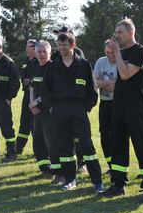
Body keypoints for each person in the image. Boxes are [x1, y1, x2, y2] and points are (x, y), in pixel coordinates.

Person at [101, 18, 143, 203]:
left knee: (142, 146)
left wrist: (116, 52)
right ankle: (118, 184)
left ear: (130, 33)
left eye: (120, 33)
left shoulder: (140, 52)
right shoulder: (122, 52)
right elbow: (120, 79)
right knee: (117, 146)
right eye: (116, 32)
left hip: (136, 107)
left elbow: (125, 74)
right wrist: (117, 52)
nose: (116, 36)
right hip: (119, 106)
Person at [44, 32, 104, 193]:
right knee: (65, 148)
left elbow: (92, 90)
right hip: (59, 111)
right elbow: (46, 90)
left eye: (65, 44)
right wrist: (52, 107)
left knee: (86, 146)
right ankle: (70, 179)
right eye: (60, 44)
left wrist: (86, 107)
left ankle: (97, 181)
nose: (62, 48)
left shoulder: (83, 64)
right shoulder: (53, 65)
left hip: (78, 110)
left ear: (73, 45)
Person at [52, 25, 87, 174]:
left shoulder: (78, 54)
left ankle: (81, 163)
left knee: (79, 136)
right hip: (60, 106)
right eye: (58, 37)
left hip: (77, 105)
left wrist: (85, 105)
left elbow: (84, 79)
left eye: (63, 36)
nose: (61, 43)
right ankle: (65, 168)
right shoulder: (55, 57)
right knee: (63, 137)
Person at [29, 40, 55, 179]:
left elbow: (52, 91)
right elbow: (32, 87)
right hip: (37, 112)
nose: (42, 54)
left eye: (45, 52)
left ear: (50, 53)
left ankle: (57, 170)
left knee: (50, 141)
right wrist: (31, 103)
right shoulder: (35, 67)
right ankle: (45, 169)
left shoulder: (53, 68)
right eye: (39, 52)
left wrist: (36, 103)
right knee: (37, 140)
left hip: (49, 111)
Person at [93, 40, 117, 174]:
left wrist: (104, 83)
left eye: (113, 52)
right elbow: (96, 82)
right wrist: (111, 82)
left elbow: (120, 86)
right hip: (105, 103)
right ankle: (110, 165)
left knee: (117, 135)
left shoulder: (121, 61)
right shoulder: (100, 62)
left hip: (118, 103)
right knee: (104, 135)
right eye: (107, 52)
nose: (110, 56)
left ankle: (117, 165)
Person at [16, 39, 38, 155]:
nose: (26, 49)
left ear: (34, 48)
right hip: (26, 96)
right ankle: (18, 149)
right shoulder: (26, 61)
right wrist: (26, 82)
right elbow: (23, 78)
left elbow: (37, 79)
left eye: (28, 47)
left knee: (35, 125)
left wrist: (30, 82)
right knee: (24, 122)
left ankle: (39, 150)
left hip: (35, 97)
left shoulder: (38, 61)